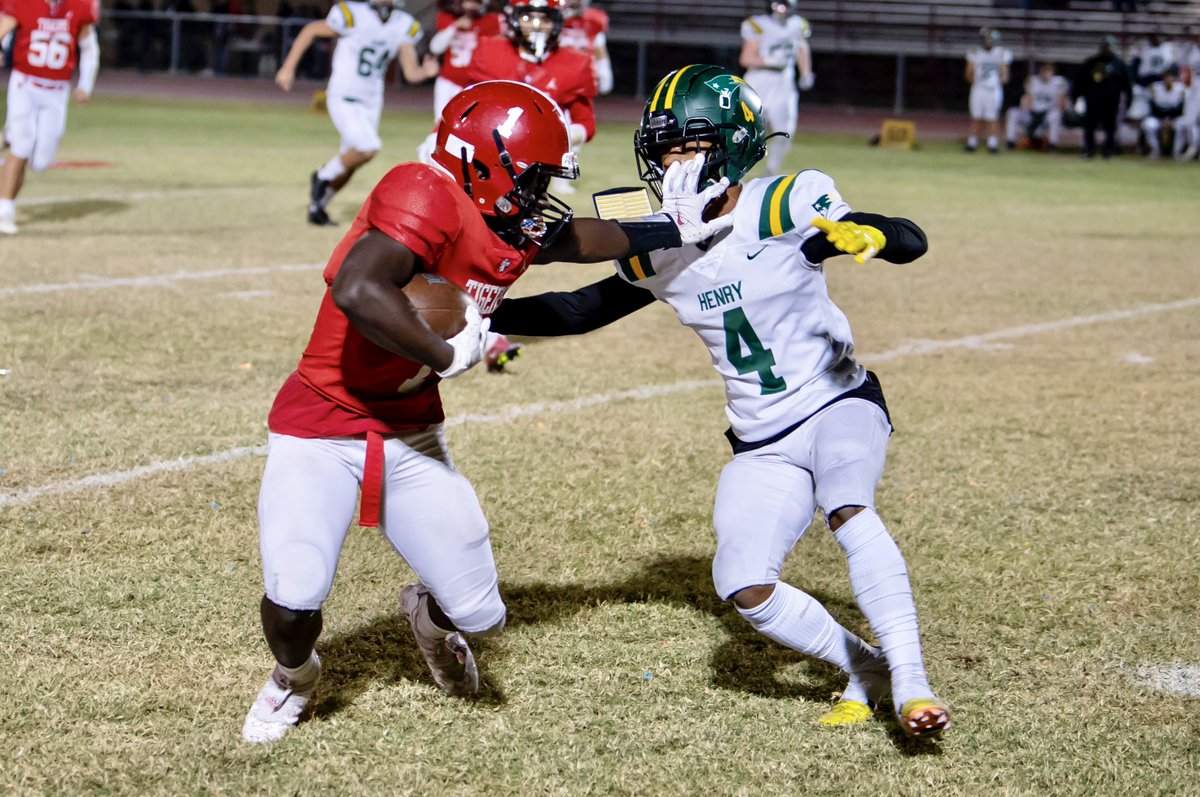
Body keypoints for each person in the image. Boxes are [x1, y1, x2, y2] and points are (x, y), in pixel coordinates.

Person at [240, 79, 733, 744]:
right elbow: (359, 286)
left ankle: (426, 616)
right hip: (323, 421)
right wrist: (444, 353)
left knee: (480, 611)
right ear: (484, 161)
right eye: (532, 177)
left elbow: (573, 239)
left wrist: (671, 228)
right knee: (296, 598)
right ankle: (292, 677)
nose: (540, 195)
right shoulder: (425, 189)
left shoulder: (512, 216)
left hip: (410, 428)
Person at [488, 65, 951, 739]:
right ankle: (870, 668)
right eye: (665, 146)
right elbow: (582, 307)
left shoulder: (787, 201)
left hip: (838, 400)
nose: (675, 160)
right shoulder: (657, 243)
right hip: (761, 437)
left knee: (849, 505)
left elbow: (907, 236)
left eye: (691, 144)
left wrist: (868, 234)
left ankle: (911, 681)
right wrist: (484, 317)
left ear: (734, 143)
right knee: (744, 584)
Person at [274, 0, 438, 226]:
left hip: (372, 102)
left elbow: (411, 73)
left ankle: (318, 207)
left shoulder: (403, 24)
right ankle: (322, 176)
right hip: (344, 95)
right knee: (367, 147)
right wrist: (288, 67)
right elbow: (310, 30)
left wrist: (426, 72)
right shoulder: (352, 14)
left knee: (351, 161)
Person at [464, 0, 595, 195]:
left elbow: (586, 123)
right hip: (487, 148)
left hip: (537, 160)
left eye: (545, 18)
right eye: (528, 17)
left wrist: (547, 139)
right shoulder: (490, 51)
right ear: (513, 18)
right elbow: (466, 108)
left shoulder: (573, 63)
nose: (537, 25)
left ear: (557, 21)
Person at [0, 0, 100, 236]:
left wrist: (85, 85)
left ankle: (8, 135)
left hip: (56, 91)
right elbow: (4, 27)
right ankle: (4, 209)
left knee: (40, 162)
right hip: (25, 83)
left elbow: (89, 48)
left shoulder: (79, 6)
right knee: (22, 146)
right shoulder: (24, 3)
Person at [738, 0, 813, 176]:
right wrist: (767, 61)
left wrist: (806, 72)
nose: (780, 9)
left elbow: (802, 48)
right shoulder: (758, 24)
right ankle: (737, 170)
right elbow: (745, 58)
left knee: (785, 130)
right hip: (759, 82)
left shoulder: (797, 25)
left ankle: (771, 170)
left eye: (784, 5)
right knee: (747, 130)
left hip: (784, 83)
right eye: (777, 5)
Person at [1074, 36, 1132, 159]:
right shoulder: (1091, 63)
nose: (1106, 48)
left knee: (1110, 127)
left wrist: (1128, 101)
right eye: (1104, 45)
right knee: (1089, 126)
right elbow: (1080, 81)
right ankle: (1089, 150)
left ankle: (1108, 150)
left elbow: (1126, 84)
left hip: (1111, 102)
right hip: (1093, 100)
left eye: (1108, 46)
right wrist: (1076, 96)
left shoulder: (1118, 64)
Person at [964, 27, 1012, 153]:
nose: (987, 41)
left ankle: (992, 143)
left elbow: (1005, 75)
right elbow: (969, 73)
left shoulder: (1001, 53)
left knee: (992, 117)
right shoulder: (975, 52)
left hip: (993, 89)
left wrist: (995, 83)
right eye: (985, 39)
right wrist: (977, 83)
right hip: (978, 88)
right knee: (976, 116)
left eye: (990, 39)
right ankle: (972, 142)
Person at [1005, 62, 1069, 151]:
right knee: (1013, 112)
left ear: (1053, 72)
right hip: (1033, 114)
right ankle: (1010, 141)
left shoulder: (1059, 82)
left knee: (1056, 114)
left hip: (1047, 114)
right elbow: (1027, 99)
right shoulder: (1033, 81)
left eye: (1048, 71)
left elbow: (1062, 102)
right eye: (1044, 71)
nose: (1046, 73)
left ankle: (1053, 144)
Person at [560, 0, 611, 96]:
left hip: (583, 70)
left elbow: (599, 46)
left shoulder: (594, 19)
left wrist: (604, 70)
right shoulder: (553, 17)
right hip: (558, 68)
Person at [1140, 68, 1186, 159]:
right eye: (1166, 77)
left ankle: (1177, 152)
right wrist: (1162, 120)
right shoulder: (1155, 88)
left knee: (1182, 125)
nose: (1168, 79)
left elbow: (1180, 108)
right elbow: (1152, 106)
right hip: (1158, 117)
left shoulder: (1180, 89)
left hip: (1174, 118)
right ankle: (1155, 150)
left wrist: (1169, 120)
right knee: (1148, 124)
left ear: (1174, 78)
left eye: (1171, 77)